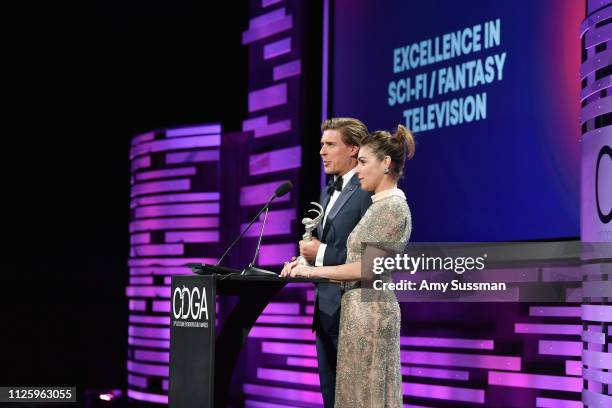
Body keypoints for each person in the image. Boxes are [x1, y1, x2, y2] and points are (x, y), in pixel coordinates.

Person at [281, 125, 415, 408]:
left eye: (365, 163)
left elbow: (365, 269)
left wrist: (311, 271)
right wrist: (303, 263)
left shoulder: (392, 208)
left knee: (369, 397)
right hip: (357, 313)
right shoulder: (379, 206)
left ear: (386, 164)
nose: (360, 170)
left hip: (372, 314)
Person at [295, 118, 372, 408]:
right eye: (321, 145)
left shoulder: (367, 191)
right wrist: (301, 261)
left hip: (353, 311)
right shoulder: (328, 191)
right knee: (332, 398)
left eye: (330, 145)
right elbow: (326, 245)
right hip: (325, 310)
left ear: (353, 149)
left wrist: (320, 254)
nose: (322, 152)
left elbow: (369, 260)